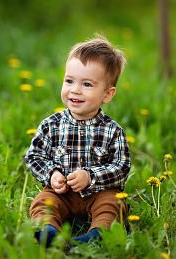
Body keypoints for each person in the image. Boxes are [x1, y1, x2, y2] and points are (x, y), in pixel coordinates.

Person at [25, 34, 131, 247]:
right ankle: (47, 230)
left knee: (113, 203)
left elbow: (121, 166)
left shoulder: (112, 131)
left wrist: (90, 176)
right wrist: (52, 173)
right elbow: (34, 156)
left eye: (87, 84)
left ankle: (97, 236)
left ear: (107, 94)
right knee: (44, 202)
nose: (75, 89)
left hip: (98, 193)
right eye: (69, 81)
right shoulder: (51, 125)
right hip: (61, 192)